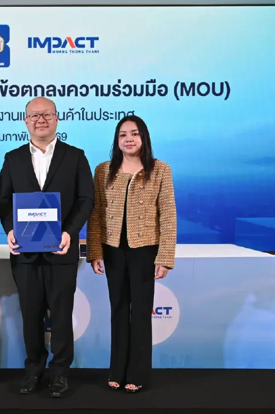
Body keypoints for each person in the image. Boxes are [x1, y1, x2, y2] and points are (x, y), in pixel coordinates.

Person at [0, 97, 94, 398]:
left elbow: (86, 200)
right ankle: (33, 370)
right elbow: (3, 200)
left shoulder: (75, 156)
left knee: (61, 315)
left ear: (57, 119)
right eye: (34, 115)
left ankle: (60, 372)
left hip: (61, 250)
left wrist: (69, 232)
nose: (41, 119)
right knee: (31, 314)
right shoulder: (12, 158)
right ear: (26, 121)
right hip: (25, 253)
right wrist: (10, 229)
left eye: (47, 114)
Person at [86, 115, 177, 393]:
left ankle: (137, 373)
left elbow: (168, 215)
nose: (129, 139)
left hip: (145, 250)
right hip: (113, 250)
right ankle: (117, 370)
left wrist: (165, 257)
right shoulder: (103, 170)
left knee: (140, 312)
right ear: (117, 140)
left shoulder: (159, 170)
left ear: (143, 137)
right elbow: (95, 213)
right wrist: (95, 251)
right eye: (123, 134)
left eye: (134, 134)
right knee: (117, 309)